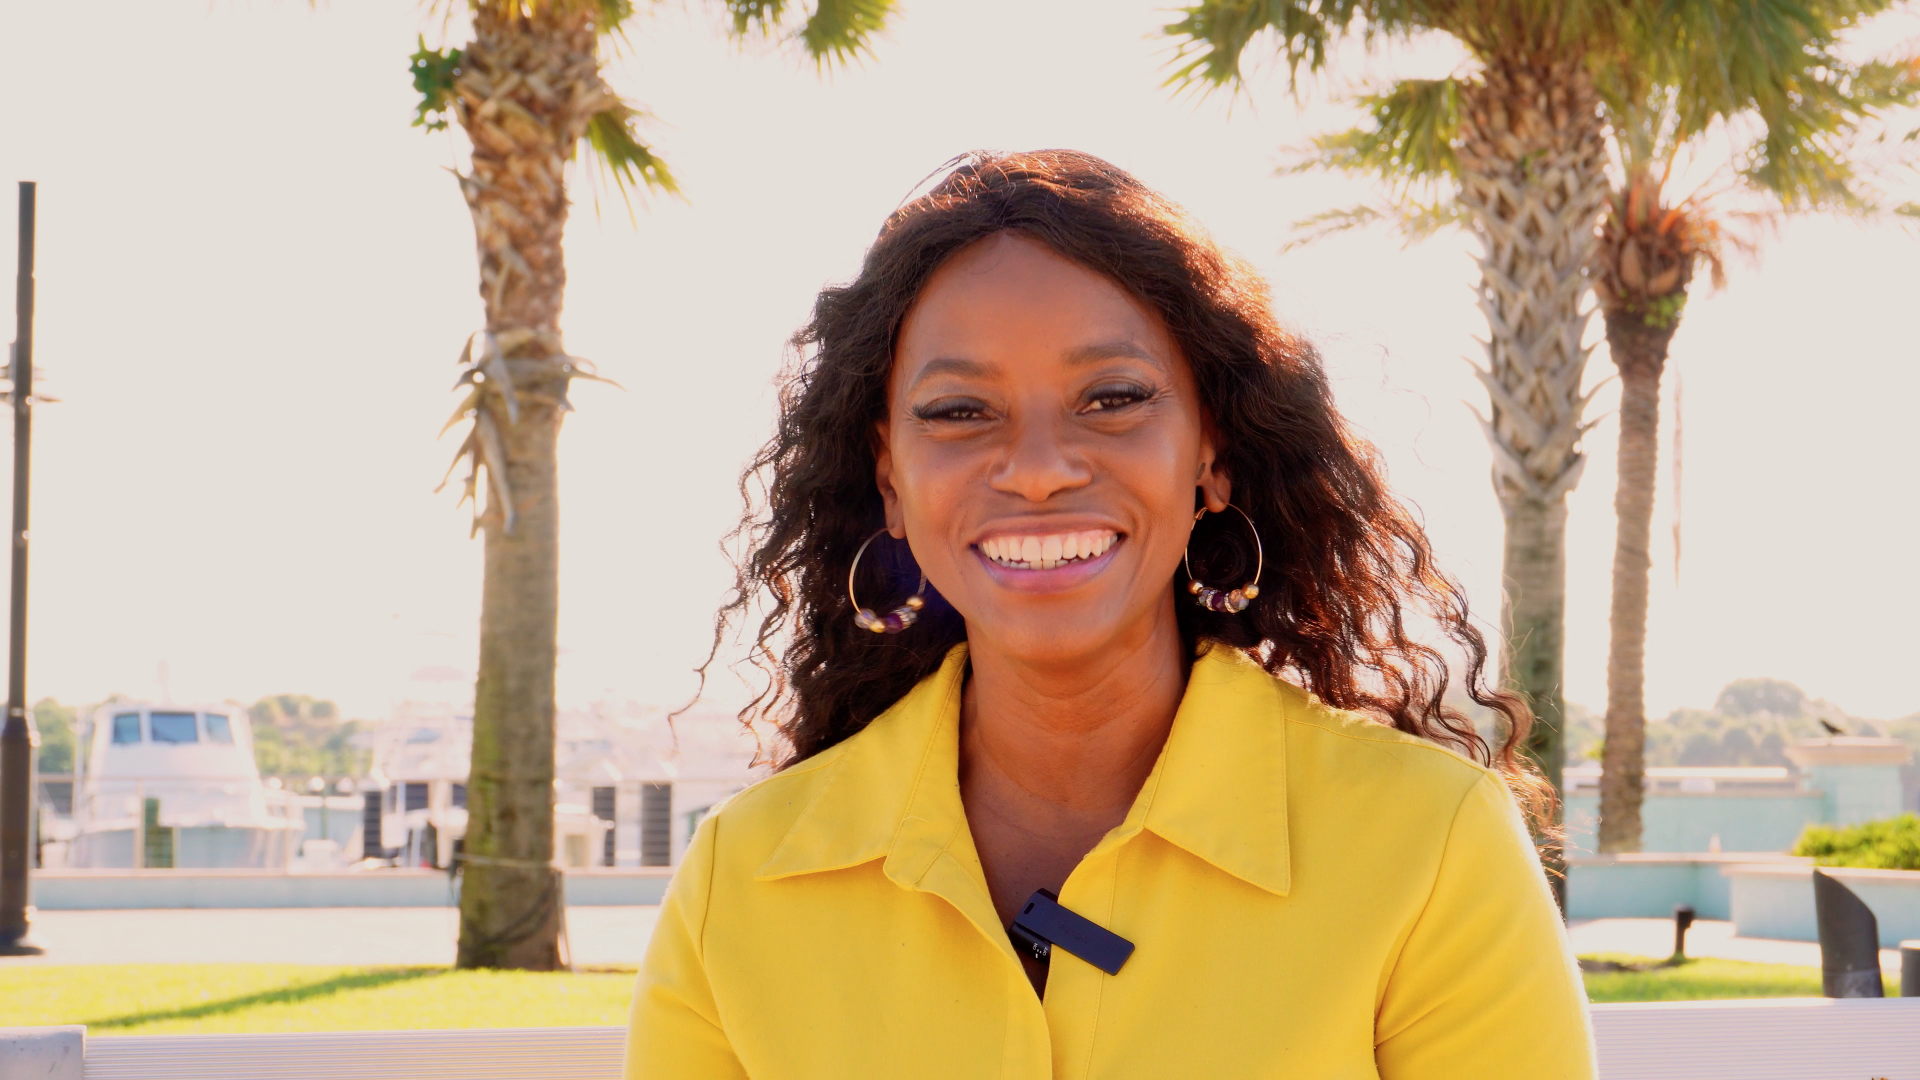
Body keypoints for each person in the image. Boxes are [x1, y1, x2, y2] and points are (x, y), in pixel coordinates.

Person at [625, 149, 1594, 1078]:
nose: (1040, 467)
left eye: (1114, 398)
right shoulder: (738, 887)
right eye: (960, 411)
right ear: (889, 477)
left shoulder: (1430, 848)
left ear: (1210, 454)